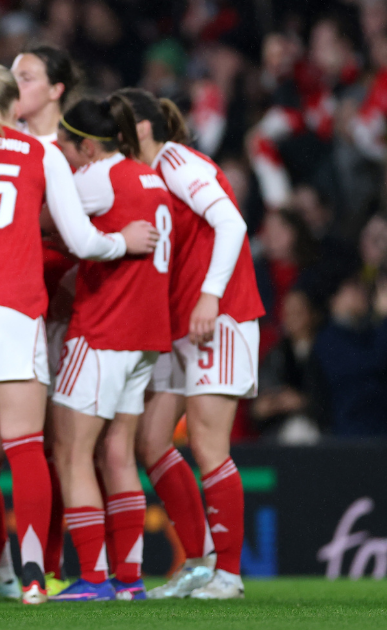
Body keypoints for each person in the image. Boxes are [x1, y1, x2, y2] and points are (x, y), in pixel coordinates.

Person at [0, 64, 159, 604]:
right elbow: (82, 239)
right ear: (16, 105)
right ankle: (34, 575)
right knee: (25, 446)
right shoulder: (38, 152)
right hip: (15, 311)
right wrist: (123, 242)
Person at [120, 87, 265, 599]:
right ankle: (202, 563)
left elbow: (231, 221)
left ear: (141, 127)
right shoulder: (144, 172)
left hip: (217, 317)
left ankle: (229, 574)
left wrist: (209, 297)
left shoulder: (175, 160)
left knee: (207, 445)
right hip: (176, 325)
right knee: (152, 442)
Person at [51, 95, 173, 602]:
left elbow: (44, 217)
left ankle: (95, 578)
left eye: (64, 143)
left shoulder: (97, 178)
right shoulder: (151, 178)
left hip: (104, 331)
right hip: (147, 335)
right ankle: (129, 578)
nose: (59, 152)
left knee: (70, 452)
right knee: (119, 453)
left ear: (85, 146)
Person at [11, 43, 83, 593]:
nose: (17, 86)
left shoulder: (71, 150)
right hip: (18, 310)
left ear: (57, 89)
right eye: (12, 76)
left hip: (65, 311)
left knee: (62, 446)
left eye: (28, 76)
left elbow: (82, 238)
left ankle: (56, 567)